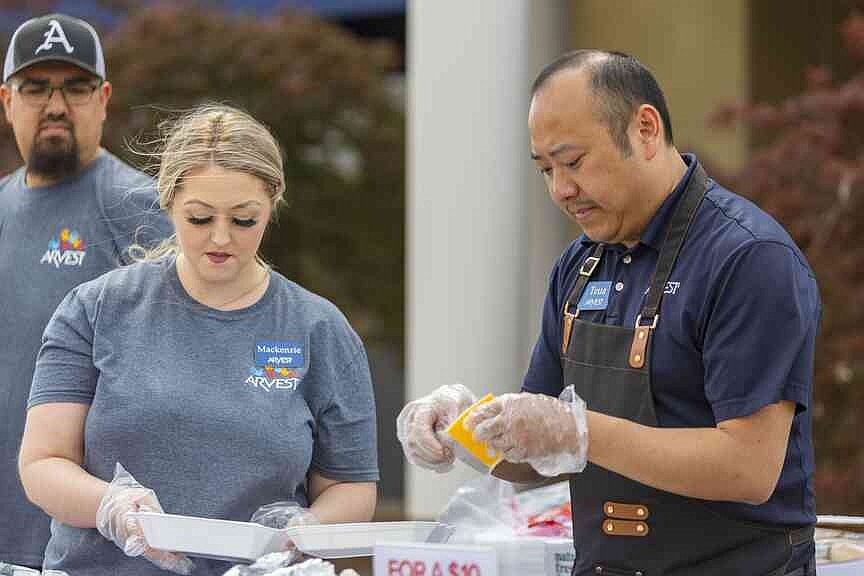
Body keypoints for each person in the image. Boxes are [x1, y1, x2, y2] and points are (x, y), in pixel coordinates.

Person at [397, 50, 819, 576]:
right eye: (545, 169)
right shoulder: (579, 265)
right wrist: (462, 427)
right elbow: (536, 458)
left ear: (645, 128)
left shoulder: (747, 258)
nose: (560, 189)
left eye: (573, 162)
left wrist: (579, 432)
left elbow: (750, 468)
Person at [18, 103, 379, 575]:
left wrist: (303, 529)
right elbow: (44, 463)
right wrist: (112, 507)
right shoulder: (96, 309)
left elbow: (352, 488)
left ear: (272, 204)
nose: (221, 239)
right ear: (169, 204)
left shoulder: (319, 330)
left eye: (244, 220)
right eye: (200, 218)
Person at [0, 13, 172, 572]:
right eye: (36, 88)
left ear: (102, 99)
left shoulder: (138, 208)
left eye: (74, 88)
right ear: (7, 101)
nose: (55, 105)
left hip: (85, 544)